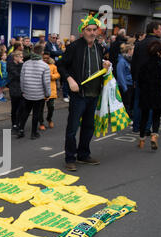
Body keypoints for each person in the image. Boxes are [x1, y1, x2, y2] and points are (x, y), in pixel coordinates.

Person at [57, 14, 111, 171]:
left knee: (89, 126)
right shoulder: (74, 47)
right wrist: (70, 80)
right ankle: (70, 158)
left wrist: (105, 67)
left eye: (95, 30)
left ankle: (83, 154)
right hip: (79, 95)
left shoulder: (99, 47)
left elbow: (96, 66)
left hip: (94, 94)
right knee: (72, 128)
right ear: (83, 31)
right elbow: (61, 65)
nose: (92, 33)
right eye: (89, 30)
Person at [137, 40, 161, 150]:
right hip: (159, 94)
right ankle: (154, 136)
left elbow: (139, 80)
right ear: (158, 52)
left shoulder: (144, 65)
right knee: (156, 117)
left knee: (144, 116)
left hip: (146, 94)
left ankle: (142, 141)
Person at [131, 22, 161, 134]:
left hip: (139, 78)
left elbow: (133, 62)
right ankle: (146, 128)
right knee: (150, 104)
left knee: (138, 102)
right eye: (160, 29)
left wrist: (134, 78)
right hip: (153, 80)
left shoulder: (140, 43)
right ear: (154, 30)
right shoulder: (158, 42)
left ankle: (136, 126)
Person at [17, 44, 51, 140]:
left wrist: (23, 90)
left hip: (27, 92)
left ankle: (21, 130)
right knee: (36, 113)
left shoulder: (26, 64)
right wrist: (48, 93)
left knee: (25, 112)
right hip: (39, 94)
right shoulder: (45, 66)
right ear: (42, 53)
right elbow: (46, 82)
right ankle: (33, 133)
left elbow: (22, 79)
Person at [41, 51, 60, 130]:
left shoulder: (53, 66)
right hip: (41, 89)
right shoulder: (39, 65)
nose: (45, 59)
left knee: (51, 107)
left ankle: (49, 119)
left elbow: (58, 75)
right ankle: (41, 122)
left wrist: (51, 76)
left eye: (47, 58)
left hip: (51, 89)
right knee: (40, 108)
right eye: (44, 58)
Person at [7, 50, 24, 133]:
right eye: (20, 56)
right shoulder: (10, 65)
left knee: (21, 108)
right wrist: (21, 65)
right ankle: (14, 124)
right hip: (14, 88)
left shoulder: (21, 65)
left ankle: (19, 123)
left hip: (21, 89)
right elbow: (18, 75)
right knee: (14, 108)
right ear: (15, 57)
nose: (22, 58)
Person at [116, 44, 134, 116]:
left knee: (128, 103)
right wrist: (124, 88)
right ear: (129, 51)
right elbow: (120, 75)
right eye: (133, 50)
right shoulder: (122, 61)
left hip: (130, 84)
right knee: (125, 103)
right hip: (125, 85)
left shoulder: (129, 60)